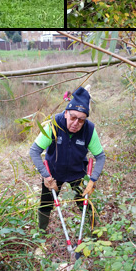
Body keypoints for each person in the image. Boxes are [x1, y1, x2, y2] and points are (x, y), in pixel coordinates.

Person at [29, 87, 105, 234]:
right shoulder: (54, 125)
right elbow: (34, 151)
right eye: (73, 117)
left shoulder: (89, 129)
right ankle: (41, 233)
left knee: (85, 203)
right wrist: (46, 175)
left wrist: (93, 179)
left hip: (77, 172)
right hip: (53, 172)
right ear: (66, 113)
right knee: (46, 204)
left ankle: (94, 232)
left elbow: (100, 156)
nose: (76, 123)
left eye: (81, 120)